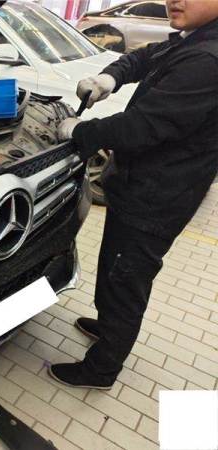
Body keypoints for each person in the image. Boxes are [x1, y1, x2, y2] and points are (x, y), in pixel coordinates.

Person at [49, 0, 218, 389]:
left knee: (126, 279)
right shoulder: (195, 39)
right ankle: (108, 325)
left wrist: (79, 131)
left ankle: (101, 370)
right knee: (115, 267)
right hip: (142, 186)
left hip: (156, 198)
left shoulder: (209, 60)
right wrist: (109, 78)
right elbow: (144, 57)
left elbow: (141, 127)